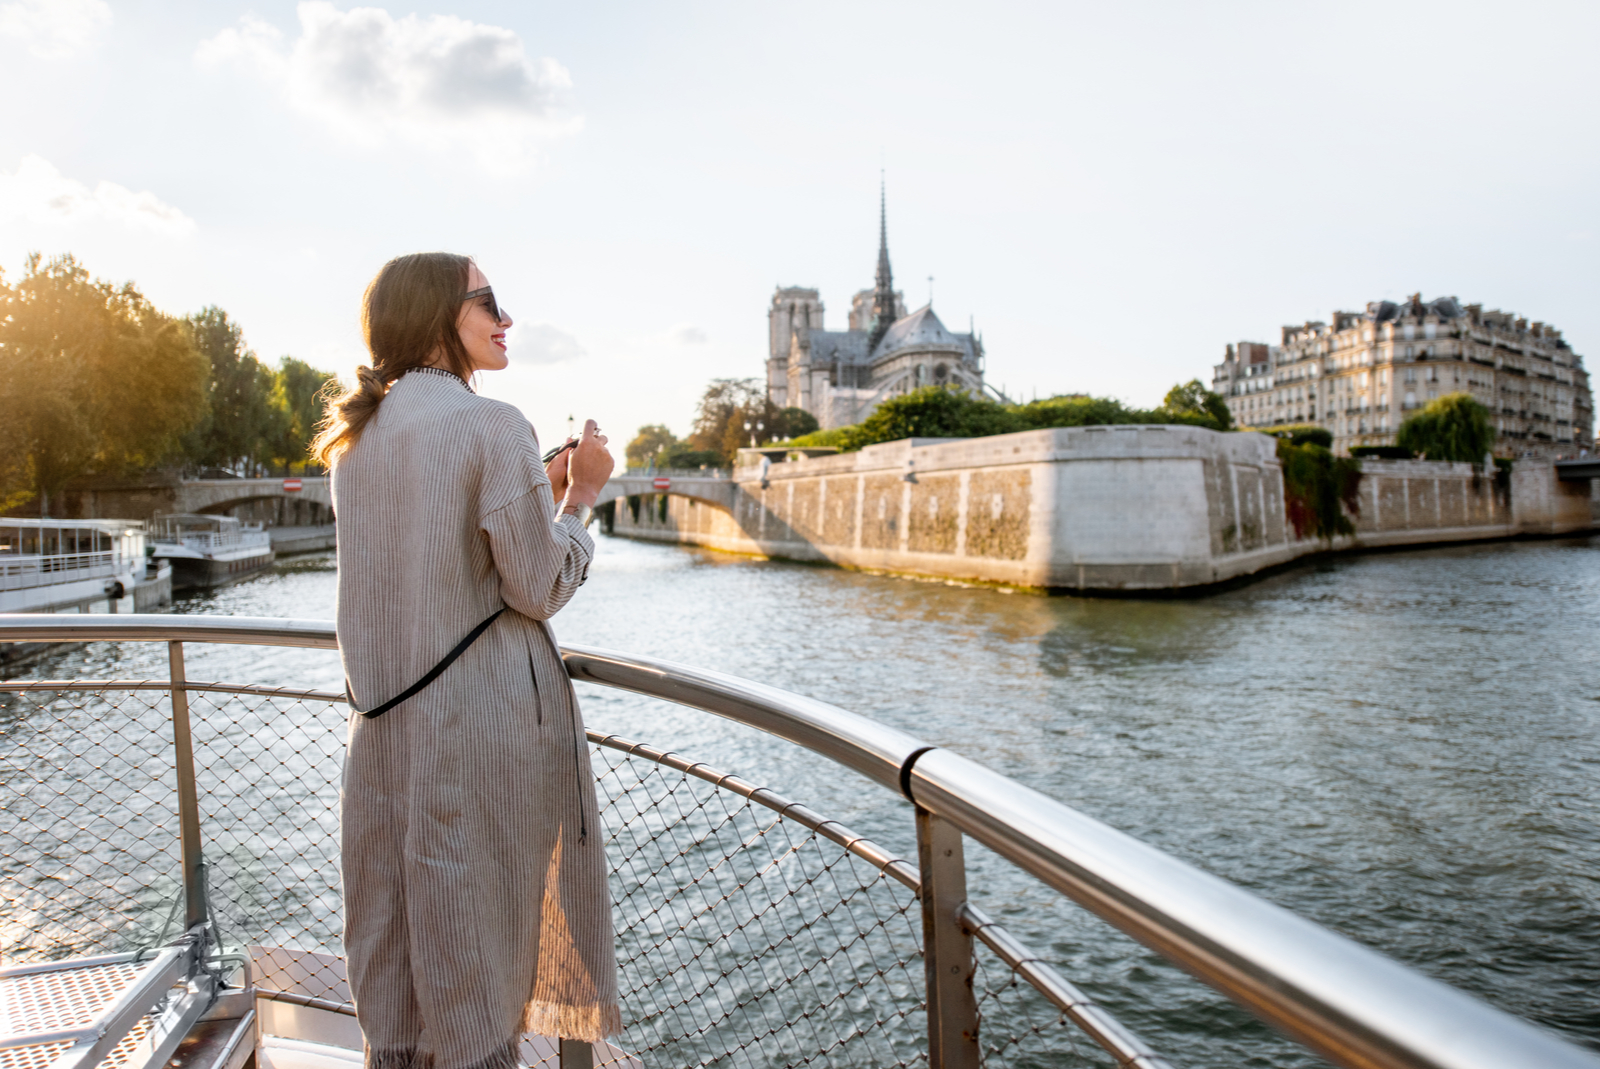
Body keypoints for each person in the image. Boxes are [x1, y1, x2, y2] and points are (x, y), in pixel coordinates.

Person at [312, 252, 620, 1069]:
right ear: (440, 315)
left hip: (383, 734)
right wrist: (580, 496)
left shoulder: (357, 439)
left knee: (400, 938)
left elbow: (431, 547)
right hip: (476, 735)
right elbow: (541, 582)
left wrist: (528, 485)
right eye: (490, 301)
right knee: (478, 942)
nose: (506, 316)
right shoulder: (492, 424)